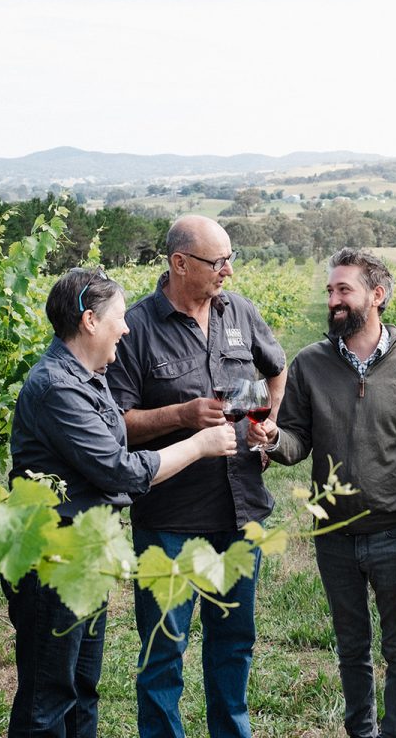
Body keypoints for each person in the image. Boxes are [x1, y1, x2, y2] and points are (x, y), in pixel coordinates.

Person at [4, 267, 237, 738]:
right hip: (54, 557)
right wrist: (198, 444)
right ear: (90, 321)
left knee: (82, 686)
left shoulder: (92, 377)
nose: (127, 328)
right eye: (119, 317)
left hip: (88, 553)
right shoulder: (58, 388)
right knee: (47, 698)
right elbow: (119, 470)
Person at [249, 247, 396, 738]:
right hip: (333, 533)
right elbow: (296, 440)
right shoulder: (310, 363)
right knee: (350, 647)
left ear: (376, 296)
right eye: (330, 291)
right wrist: (273, 439)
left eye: (343, 290)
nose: (333, 300)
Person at [106, 215, 287, 738]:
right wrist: (182, 416)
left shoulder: (240, 312)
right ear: (179, 263)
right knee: (164, 650)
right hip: (170, 521)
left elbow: (277, 369)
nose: (227, 271)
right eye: (218, 261)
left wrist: (269, 423)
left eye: (231, 259)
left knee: (234, 644)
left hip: (238, 512)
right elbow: (117, 423)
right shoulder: (135, 329)